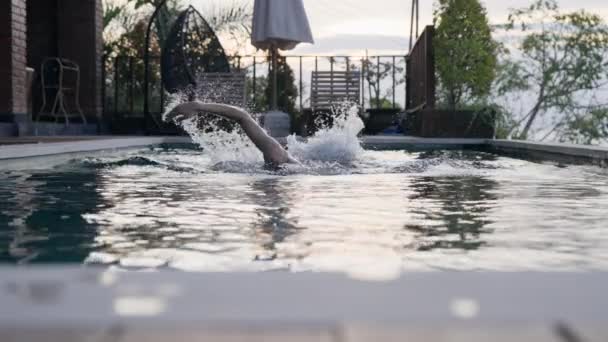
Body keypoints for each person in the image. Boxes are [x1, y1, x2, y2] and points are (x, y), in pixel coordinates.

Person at [165, 102, 300, 168]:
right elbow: (243, 117)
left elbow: (243, 117)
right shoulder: (279, 157)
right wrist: (199, 106)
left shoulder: (280, 160)